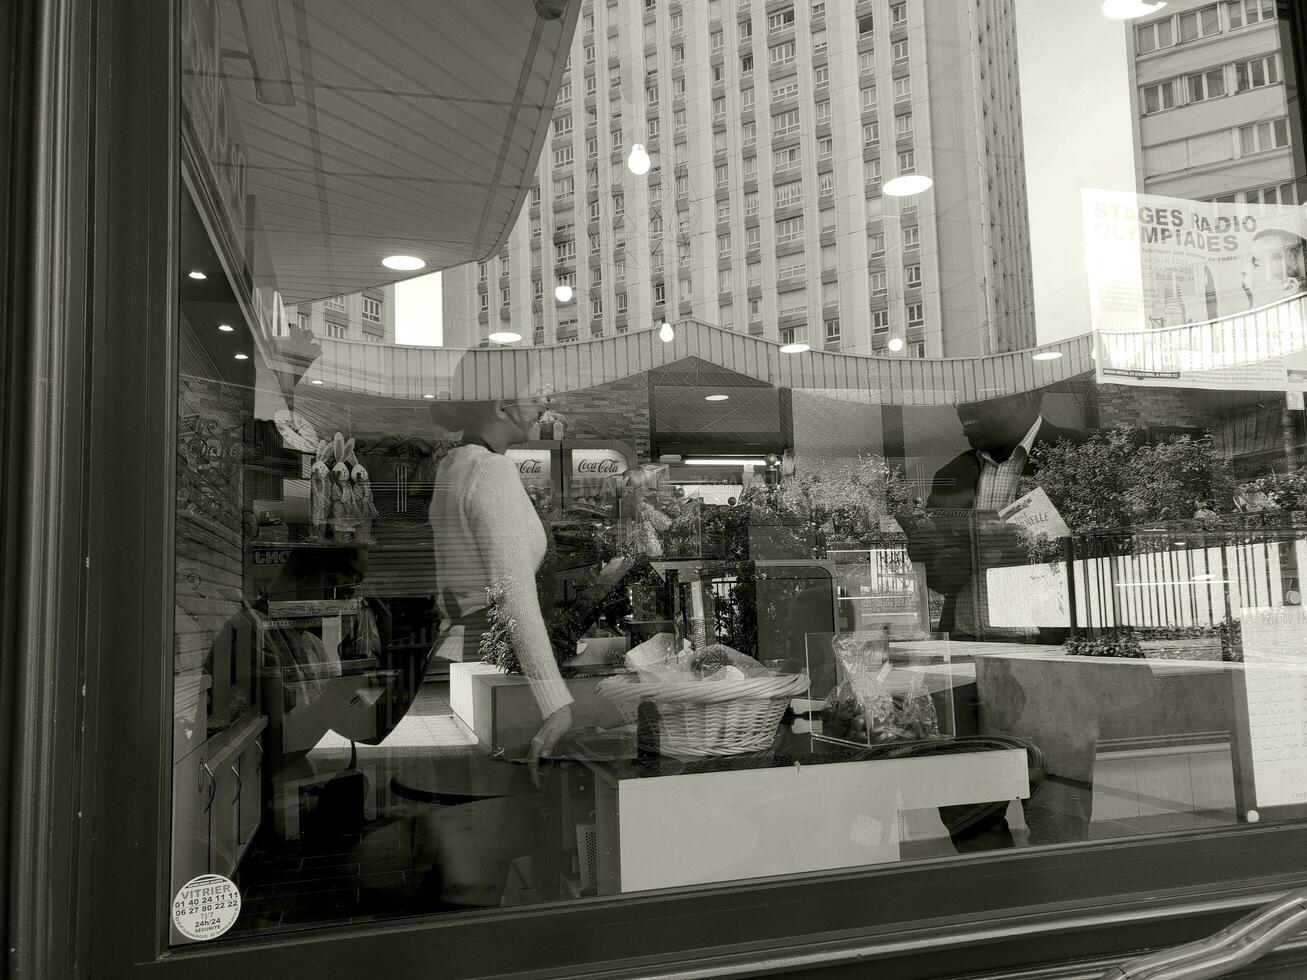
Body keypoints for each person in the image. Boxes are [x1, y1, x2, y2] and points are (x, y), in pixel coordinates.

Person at [426, 366, 573, 783]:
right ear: (501, 405)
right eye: (532, 395)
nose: (542, 405)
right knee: (506, 797)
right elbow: (513, 593)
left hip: (465, 641)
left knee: (475, 790)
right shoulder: (492, 471)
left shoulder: (454, 464)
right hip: (492, 648)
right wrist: (555, 702)